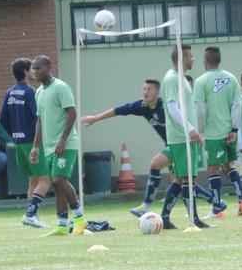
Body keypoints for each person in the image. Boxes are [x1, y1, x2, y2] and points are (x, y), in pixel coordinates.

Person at [81, 78, 219, 217]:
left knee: (158, 165)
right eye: (144, 89)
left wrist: (198, 133)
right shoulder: (142, 106)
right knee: (180, 182)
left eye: (149, 89)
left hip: (183, 144)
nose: (145, 92)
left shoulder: (166, 106)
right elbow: (118, 110)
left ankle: (148, 206)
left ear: (157, 92)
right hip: (172, 145)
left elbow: (187, 116)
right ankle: (214, 203)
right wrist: (95, 118)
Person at [28, 54, 87, 236]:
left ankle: (79, 217)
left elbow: (72, 113)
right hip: (48, 146)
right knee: (57, 185)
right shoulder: (39, 92)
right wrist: (36, 146)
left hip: (66, 144)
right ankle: (62, 224)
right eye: (33, 69)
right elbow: (40, 121)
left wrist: (62, 140)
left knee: (58, 179)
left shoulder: (60, 87)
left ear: (48, 67)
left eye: (38, 68)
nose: (35, 72)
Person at [159, 44, 211, 230]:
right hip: (181, 137)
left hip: (184, 137)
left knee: (181, 179)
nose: (194, 59)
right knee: (188, 179)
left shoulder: (179, 78)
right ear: (182, 58)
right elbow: (172, 108)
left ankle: (164, 217)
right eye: (190, 56)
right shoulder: (172, 79)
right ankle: (194, 219)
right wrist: (189, 129)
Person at [193, 46, 242, 217]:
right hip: (229, 131)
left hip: (213, 133)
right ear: (219, 60)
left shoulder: (201, 81)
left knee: (213, 169)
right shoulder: (231, 78)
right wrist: (234, 129)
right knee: (229, 165)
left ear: (206, 60)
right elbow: (237, 105)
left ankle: (216, 206)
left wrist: (200, 131)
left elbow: (200, 109)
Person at [0, 58, 49, 227]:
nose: (34, 72)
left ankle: (32, 217)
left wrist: (13, 136)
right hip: (32, 142)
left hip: (18, 143)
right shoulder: (30, 92)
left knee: (32, 180)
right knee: (45, 179)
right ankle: (30, 213)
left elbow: (3, 120)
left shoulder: (9, 92)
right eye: (32, 69)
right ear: (26, 72)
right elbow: (38, 118)